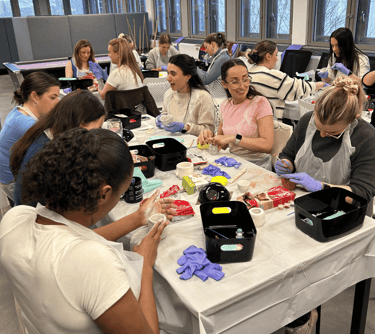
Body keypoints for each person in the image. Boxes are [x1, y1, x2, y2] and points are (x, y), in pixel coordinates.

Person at [0, 127, 174, 333]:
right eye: (122, 192)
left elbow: (67, 242)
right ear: (104, 194)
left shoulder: (15, 218)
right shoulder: (95, 263)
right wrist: (145, 266)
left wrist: (136, 219)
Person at [276, 76, 375, 214]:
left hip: (344, 212)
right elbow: (288, 154)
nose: (322, 135)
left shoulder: (366, 137)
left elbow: (363, 193)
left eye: (332, 132)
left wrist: (323, 188)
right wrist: (286, 164)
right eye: (317, 126)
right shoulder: (306, 120)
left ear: (352, 119)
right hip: (302, 203)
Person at [10, 90, 106, 206]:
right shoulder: (50, 154)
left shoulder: (46, 132)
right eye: (98, 128)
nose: (97, 134)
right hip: (38, 216)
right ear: (80, 123)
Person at [198, 59, 274, 170]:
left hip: (257, 166)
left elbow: (267, 145)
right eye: (235, 81)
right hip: (234, 163)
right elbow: (222, 144)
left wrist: (234, 139)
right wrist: (208, 136)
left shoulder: (260, 103)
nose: (242, 86)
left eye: (245, 79)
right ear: (224, 84)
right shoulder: (225, 105)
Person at [0, 72, 60, 201]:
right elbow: (55, 153)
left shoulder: (18, 111)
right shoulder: (26, 125)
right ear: (35, 97)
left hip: (8, 177)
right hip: (13, 184)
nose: (58, 102)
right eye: (53, 97)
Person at [248, 40, 325, 119]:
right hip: (268, 123)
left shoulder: (249, 72)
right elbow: (298, 88)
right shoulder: (274, 76)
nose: (277, 59)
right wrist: (322, 84)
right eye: (276, 55)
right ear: (268, 56)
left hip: (251, 119)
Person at [155, 54, 217, 136]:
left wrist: (185, 127)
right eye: (168, 73)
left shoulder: (202, 98)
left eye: (173, 74)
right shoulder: (169, 94)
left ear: (188, 76)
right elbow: (165, 113)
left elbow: (209, 130)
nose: (168, 78)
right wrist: (161, 118)